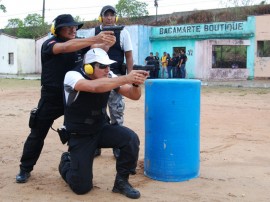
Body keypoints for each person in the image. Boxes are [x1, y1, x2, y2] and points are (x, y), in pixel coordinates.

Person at [15, 14, 116, 183]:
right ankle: (25, 168)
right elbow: (64, 48)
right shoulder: (50, 44)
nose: (73, 29)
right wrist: (94, 38)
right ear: (57, 29)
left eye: (75, 26)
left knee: (98, 122)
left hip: (75, 95)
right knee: (37, 132)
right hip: (52, 97)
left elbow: (96, 53)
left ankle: (95, 152)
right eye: (68, 26)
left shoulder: (79, 43)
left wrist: (106, 45)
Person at [58, 48, 149, 199]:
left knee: (130, 138)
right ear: (88, 67)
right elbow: (94, 87)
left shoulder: (110, 76)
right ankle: (66, 162)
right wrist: (126, 77)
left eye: (109, 66)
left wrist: (135, 83)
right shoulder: (72, 76)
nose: (108, 70)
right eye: (103, 66)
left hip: (101, 129)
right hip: (80, 135)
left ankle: (122, 182)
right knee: (81, 187)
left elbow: (134, 96)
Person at [88, 5, 133, 158]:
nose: (109, 17)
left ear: (116, 17)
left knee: (116, 112)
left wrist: (130, 75)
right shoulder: (94, 33)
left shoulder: (123, 32)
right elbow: (88, 54)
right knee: (96, 113)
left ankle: (117, 144)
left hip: (116, 78)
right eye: (106, 15)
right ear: (101, 17)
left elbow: (128, 55)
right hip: (97, 80)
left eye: (112, 15)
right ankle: (95, 145)